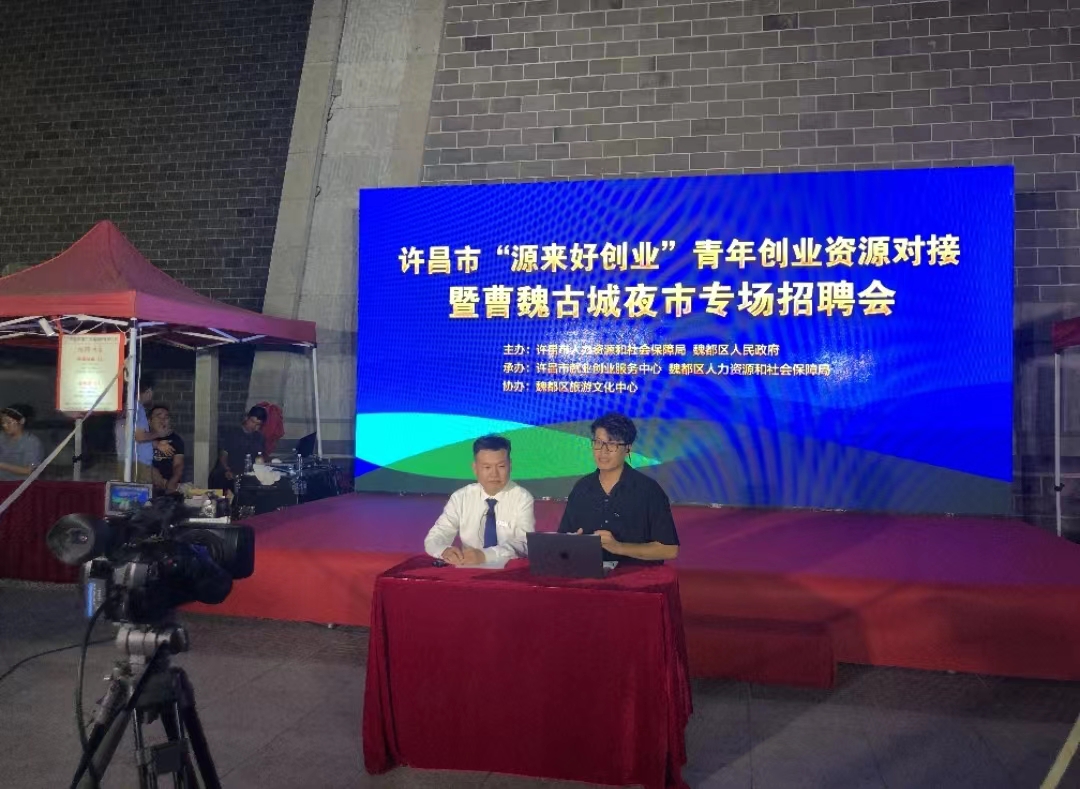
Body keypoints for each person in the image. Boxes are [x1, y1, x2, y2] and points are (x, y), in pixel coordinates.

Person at [558, 412, 680, 565]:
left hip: (637, 576)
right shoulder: (581, 488)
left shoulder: (648, 490)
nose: (603, 451)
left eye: (612, 444)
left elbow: (669, 549)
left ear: (628, 448)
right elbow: (561, 540)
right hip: (590, 574)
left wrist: (619, 547)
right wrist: (571, 542)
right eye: (598, 442)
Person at [424, 435, 535, 566]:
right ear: (475, 468)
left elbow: (525, 543)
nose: (494, 474)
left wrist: (485, 555)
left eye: (501, 466)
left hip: (509, 568)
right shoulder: (461, 497)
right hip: (468, 568)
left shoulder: (522, 498)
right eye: (487, 467)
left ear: (510, 466)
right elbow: (436, 536)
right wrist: (444, 551)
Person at [114, 373, 173, 484]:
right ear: (148, 391)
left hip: (126, 461)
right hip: (138, 465)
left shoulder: (127, 407)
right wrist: (159, 434)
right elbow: (139, 437)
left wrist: (157, 444)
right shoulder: (138, 409)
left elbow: (132, 437)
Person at [209, 406, 267, 493]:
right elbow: (223, 455)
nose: (254, 426)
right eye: (252, 422)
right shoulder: (232, 433)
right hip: (227, 476)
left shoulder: (259, 437)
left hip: (246, 478)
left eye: (258, 424)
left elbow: (260, 457)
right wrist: (227, 469)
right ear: (246, 418)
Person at [0, 404, 45, 482]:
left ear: (21, 421)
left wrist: (2, 465)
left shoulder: (32, 442)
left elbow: (29, 470)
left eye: (8, 422)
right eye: (3, 422)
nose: (5, 425)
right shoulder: (2, 437)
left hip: (21, 485)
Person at [149, 405, 185, 494]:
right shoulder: (144, 438)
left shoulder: (176, 439)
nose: (163, 420)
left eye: (166, 417)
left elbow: (178, 465)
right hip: (147, 482)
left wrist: (173, 481)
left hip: (168, 484)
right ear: (149, 421)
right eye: (158, 416)